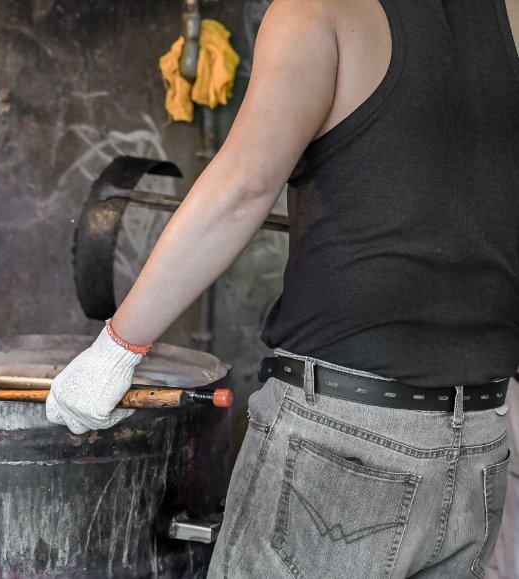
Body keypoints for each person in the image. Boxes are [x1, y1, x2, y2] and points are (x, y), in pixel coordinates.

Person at [46, 0, 519, 576]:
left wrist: (117, 349)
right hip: (481, 443)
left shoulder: (316, 9)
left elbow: (244, 188)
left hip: (344, 443)